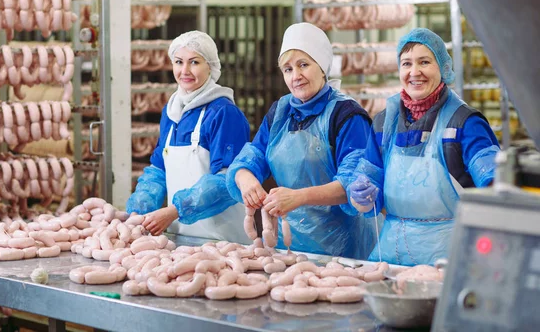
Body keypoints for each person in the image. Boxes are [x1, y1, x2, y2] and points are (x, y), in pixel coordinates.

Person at [346, 27, 500, 266]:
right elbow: (368, 179)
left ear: (443, 68)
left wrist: (493, 177)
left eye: (424, 62)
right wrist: (361, 194)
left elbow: (494, 183)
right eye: (406, 63)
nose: (414, 72)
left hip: (449, 261)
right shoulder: (383, 123)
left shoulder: (465, 123)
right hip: (390, 260)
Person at [226, 22, 378, 258]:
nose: (295, 76)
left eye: (303, 65)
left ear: (322, 67)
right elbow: (253, 156)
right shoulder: (280, 112)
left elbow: (353, 184)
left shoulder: (346, 115)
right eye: (287, 69)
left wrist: (298, 197)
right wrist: (245, 179)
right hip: (288, 246)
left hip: (342, 248)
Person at [126, 30, 251, 243]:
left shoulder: (224, 113)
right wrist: (140, 209)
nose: (185, 71)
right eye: (178, 62)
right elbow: (158, 170)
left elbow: (227, 181)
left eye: (194, 62)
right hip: (179, 235)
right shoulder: (172, 111)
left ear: (210, 66)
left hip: (222, 239)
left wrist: (175, 210)